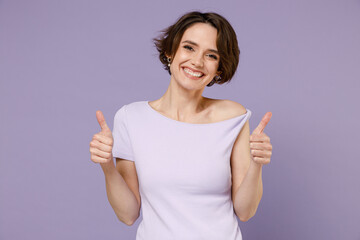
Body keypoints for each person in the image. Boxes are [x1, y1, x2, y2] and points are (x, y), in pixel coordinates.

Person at [89, 11, 273, 240]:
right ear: (170, 51)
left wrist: (257, 164)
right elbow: (127, 214)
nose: (197, 61)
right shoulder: (131, 118)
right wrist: (106, 166)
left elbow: (246, 212)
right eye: (189, 47)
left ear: (219, 68)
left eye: (211, 55)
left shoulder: (233, 117)